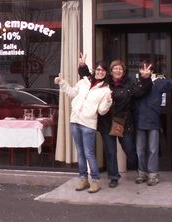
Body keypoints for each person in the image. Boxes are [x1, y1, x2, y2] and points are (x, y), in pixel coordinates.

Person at [79, 55, 152, 187]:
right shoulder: (104, 82)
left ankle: (140, 171)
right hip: (106, 122)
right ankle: (113, 177)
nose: (117, 71)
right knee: (111, 151)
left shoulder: (129, 83)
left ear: (123, 71)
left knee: (129, 149)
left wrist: (146, 78)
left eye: (120, 69)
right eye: (115, 68)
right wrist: (83, 67)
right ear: (111, 71)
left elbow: (141, 91)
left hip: (123, 122)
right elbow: (89, 77)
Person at [55, 59, 113, 193]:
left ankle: (95, 180)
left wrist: (108, 102)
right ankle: (83, 178)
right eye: (98, 69)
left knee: (89, 153)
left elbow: (101, 111)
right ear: (94, 70)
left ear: (105, 73)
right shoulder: (83, 82)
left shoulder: (105, 90)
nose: (100, 72)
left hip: (88, 124)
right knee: (80, 153)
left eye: (102, 70)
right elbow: (72, 93)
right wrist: (62, 82)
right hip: (75, 121)